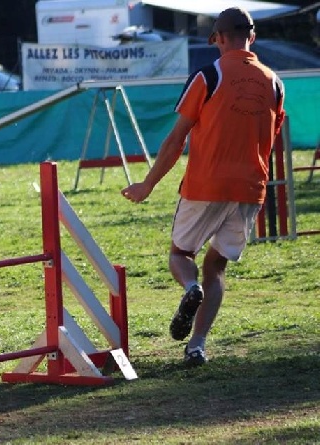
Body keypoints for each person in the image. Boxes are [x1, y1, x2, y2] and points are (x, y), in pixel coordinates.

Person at [120, 7, 286, 367]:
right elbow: (270, 141)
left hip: (205, 184)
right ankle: (197, 345)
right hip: (250, 190)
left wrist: (147, 185)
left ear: (220, 38)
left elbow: (176, 139)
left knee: (181, 255)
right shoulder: (275, 83)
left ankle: (189, 288)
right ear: (252, 37)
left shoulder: (208, 75)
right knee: (217, 267)